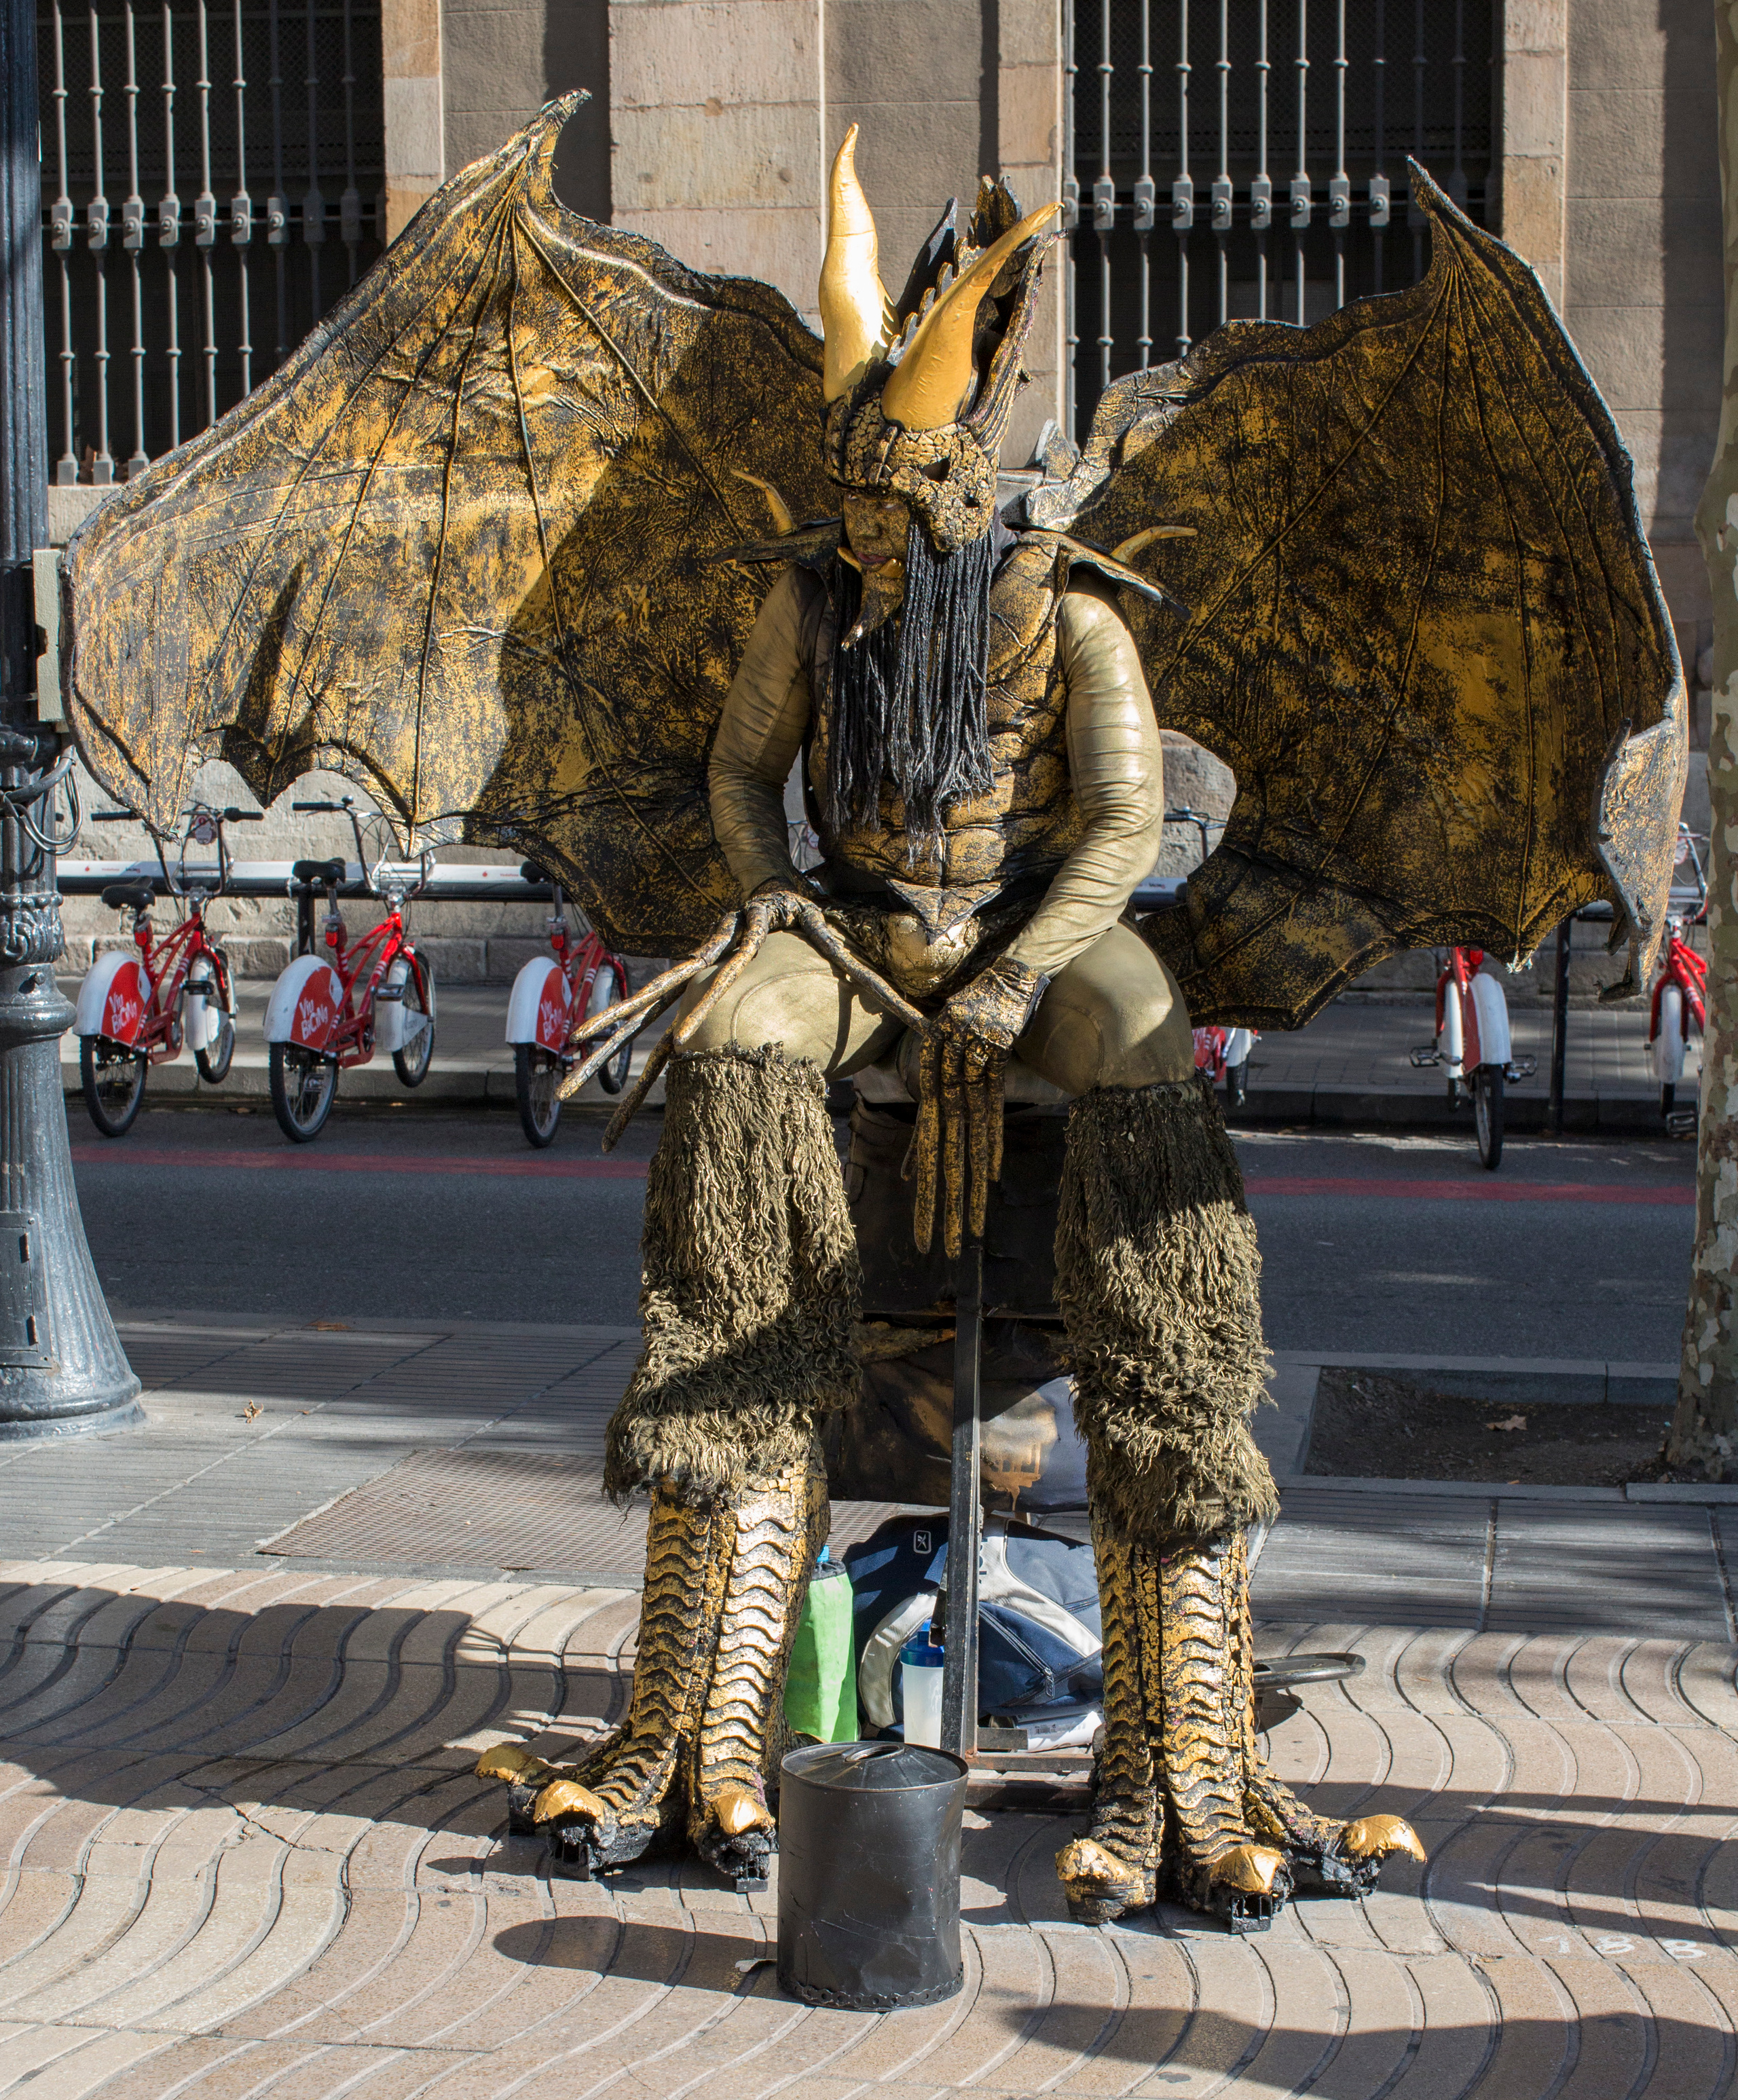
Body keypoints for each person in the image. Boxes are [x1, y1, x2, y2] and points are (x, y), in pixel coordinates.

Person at [479, 132, 1422, 1926]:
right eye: (846, 512)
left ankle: (1184, 1749)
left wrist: (1007, 974)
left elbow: (1128, 831)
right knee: (739, 1045)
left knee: (1140, 1030)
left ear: (956, 495)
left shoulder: (1068, 612)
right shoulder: (809, 596)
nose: (859, 540)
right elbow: (741, 774)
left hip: (1033, 925)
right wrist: (767, 897)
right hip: (843, 928)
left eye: (885, 514)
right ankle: (699, 1723)